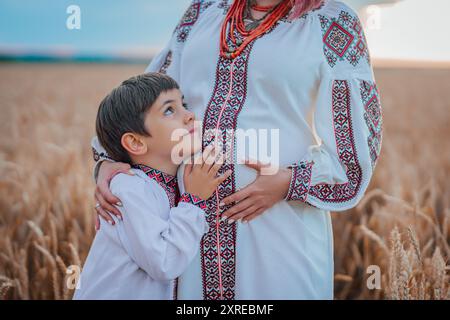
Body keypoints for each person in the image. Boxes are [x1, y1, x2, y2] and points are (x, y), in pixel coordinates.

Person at [92, 0, 383, 299]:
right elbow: (143, 100)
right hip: (189, 231)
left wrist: (288, 183)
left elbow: (354, 149)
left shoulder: (333, 21)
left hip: (279, 231)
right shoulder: (202, 12)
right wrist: (109, 158)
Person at [74, 72, 231, 299]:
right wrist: (194, 201)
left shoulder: (167, 184)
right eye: (169, 110)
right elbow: (164, 263)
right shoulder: (127, 190)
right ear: (136, 142)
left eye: (183, 104)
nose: (189, 115)